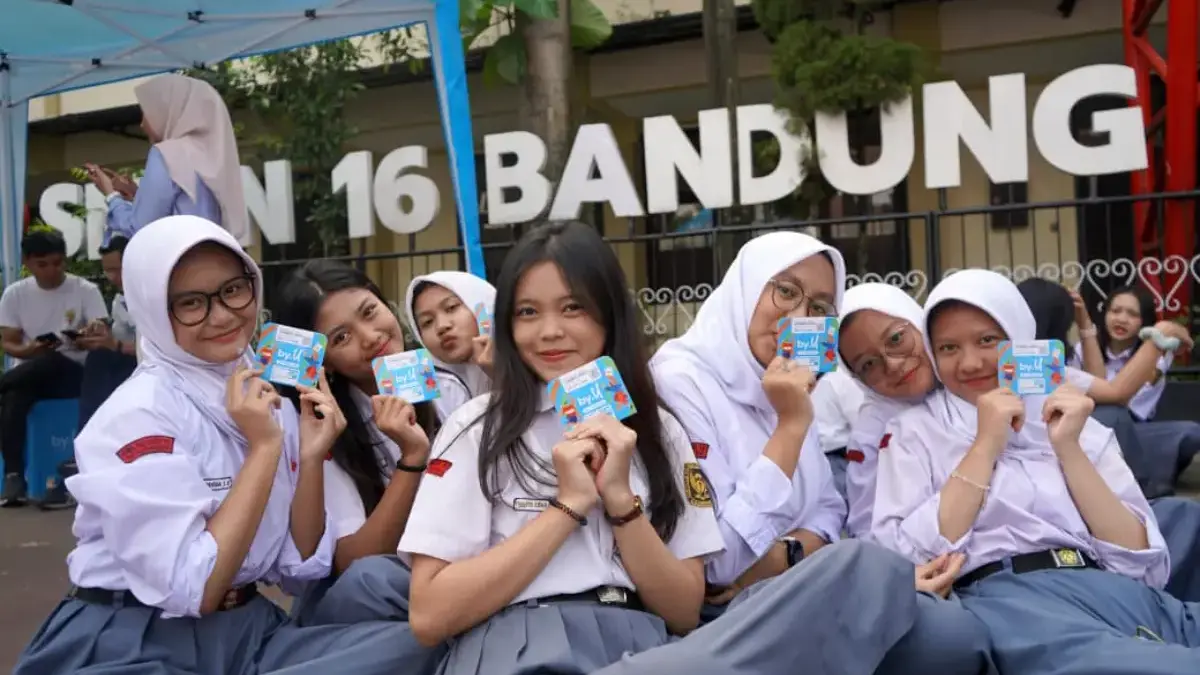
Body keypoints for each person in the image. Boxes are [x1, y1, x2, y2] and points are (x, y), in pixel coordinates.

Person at [397, 221, 921, 675]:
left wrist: (621, 501)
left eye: (573, 307)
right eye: (528, 312)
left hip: (644, 644)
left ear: (608, 316)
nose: (550, 331)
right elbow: (429, 615)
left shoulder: (656, 429)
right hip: (521, 643)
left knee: (863, 567)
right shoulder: (476, 429)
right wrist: (567, 507)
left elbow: (682, 609)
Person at [13, 216, 433, 675]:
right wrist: (264, 449)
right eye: (191, 303)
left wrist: (309, 456)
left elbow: (298, 569)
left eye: (233, 290)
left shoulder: (262, 395)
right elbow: (196, 587)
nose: (223, 315)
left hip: (247, 630)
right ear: (154, 310)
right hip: (133, 637)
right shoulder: (136, 414)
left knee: (428, 639)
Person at [873, 268, 1200, 674]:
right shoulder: (915, 432)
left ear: (1019, 338)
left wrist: (1068, 448)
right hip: (1012, 602)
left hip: (1117, 590)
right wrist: (985, 445)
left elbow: (1143, 562)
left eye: (988, 340)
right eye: (948, 347)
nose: (971, 362)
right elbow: (903, 557)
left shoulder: (1076, 420)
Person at [648, 231, 847, 615]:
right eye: (787, 292)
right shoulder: (679, 382)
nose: (800, 318)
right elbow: (718, 564)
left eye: (821, 308)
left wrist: (780, 558)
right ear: (746, 289)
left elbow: (830, 511)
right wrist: (789, 428)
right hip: (728, 621)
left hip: (800, 593)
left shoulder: (786, 381)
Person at [834, 281, 998, 675]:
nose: (892, 364)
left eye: (896, 338)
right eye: (868, 364)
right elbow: (871, 532)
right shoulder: (876, 429)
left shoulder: (979, 379)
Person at [273, 260, 442, 634]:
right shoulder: (320, 428)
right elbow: (354, 562)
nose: (370, 337)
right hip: (370, 609)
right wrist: (412, 462)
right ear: (323, 363)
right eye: (341, 338)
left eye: (370, 312)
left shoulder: (448, 381)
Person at [1019, 278, 1195, 498]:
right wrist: (1161, 334)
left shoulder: (1013, 358)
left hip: (1041, 447)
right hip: (1052, 448)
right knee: (1113, 415)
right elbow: (1115, 394)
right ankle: (1144, 489)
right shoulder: (1044, 364)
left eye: (1132, 314)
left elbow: (1101, 387)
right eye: (1116, 311)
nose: (1122, 319)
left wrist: (1084, 324)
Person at [0, 228, 108, 506]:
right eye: (42, 265)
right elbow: (9, 343)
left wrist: (86, 335)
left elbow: (101, 334)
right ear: (27, 263)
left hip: (74, 373)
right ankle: (14, 476)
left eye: (58, 263)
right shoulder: (15, 294)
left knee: (50, 359)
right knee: (14, 396)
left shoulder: (85, 290)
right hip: (31, 375)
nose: (51, 271)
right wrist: (28, 350)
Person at [85, 73, 247, 246]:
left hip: (180, 264)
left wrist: (111, 195)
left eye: (146, 113)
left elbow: (140, 228)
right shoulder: (210, 154)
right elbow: (186, 209)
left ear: (167, 111)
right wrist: (138, 196)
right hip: (212, 258)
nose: (141, 124)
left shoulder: (167, 153)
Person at [404, 271, 495, 421]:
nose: (441, 326)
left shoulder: (529, 360)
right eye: (427, 322)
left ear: (481, 306)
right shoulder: (427, 390)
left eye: (451, 308)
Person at [76, 235, 139, 428]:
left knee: (100, 359)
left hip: (149, 365)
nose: (112, 277)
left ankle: (90, 430)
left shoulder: (155, 297)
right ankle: (89, 434)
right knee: (98, 356)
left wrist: (116, 345)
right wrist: (100, 333)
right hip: (124, 364)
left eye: (117, 270)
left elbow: (161, 346)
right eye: (107, 270)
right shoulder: (119, 301)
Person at [810, 369, 866, 499]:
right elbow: (862, 425)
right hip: (839, 461)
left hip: (819, 459)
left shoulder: (819, 380)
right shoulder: (840, 378)